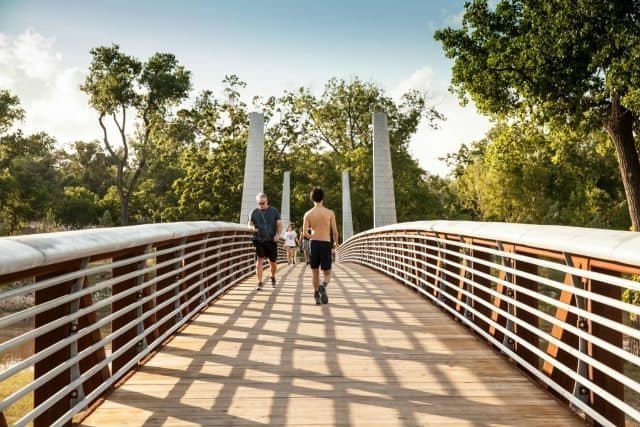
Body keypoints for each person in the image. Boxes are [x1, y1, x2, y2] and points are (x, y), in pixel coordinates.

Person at [302, 187, 339, 305]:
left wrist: (312, 236)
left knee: (315, 271)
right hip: (325, 243)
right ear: (323, 198)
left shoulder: (308, 214)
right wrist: (336, 243)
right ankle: (323, 285)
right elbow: (335, 232)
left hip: (314, 243)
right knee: (327, 272)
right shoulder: (329, 213)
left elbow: (304, 233)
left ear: (311, 198)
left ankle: (316, 294)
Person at [248, 193, 282, 290]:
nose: (261, 205)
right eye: (259, 203)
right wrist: (252, 228)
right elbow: (248, 225)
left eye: (263, 203)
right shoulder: (253, 212)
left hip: (271, 240)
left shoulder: (274, 211)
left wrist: (278, 235)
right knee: (259, 261)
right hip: (258, 240)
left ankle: (273, 276)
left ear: (267, 201)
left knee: (273, 263)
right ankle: (259, 282)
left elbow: (279, 224)